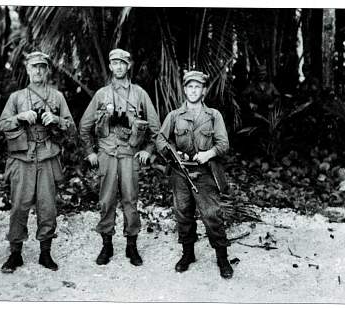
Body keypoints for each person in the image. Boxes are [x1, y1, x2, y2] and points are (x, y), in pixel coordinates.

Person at [79, 48, 160, 266]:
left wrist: (148, 150)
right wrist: (90, 152)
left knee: (130, 200)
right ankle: (107, 245)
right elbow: (84, 126)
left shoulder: (139, 94)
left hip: (130, 155)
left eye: (122, 63)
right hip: (106, 154)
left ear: (128, 66)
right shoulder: (101, 95)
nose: (119, 67)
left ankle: (131, 246)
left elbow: (156, 129)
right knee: (106, 200)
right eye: (114, 63)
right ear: (110, 66)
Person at [0, 51, 75, 273]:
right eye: (34, 66)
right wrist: (20, 117)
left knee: (47, 206)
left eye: (42, 66)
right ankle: (15, 254)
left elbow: (72, 129)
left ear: (47, 70)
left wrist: (57, 119)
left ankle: (45, 253)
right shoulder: (17, 97)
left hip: (48, 156)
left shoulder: (57, 97)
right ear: (27, 69)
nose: (38, 71)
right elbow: (1, 125)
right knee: (19, 207)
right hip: (22, 157)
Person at [156, 71, 234, 279]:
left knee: (212, 215)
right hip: (180, 172)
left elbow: (223, 144)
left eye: (197, 87)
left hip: (205, 172)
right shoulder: (174, 116)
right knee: (183, 213)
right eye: (190, 86)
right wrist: (174, 154)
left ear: (204, 91)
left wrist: (208, 154)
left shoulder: (213, 115)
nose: (193, 90)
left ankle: (222, 257)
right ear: (184, 89)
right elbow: (161, 140)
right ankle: (187, 254)